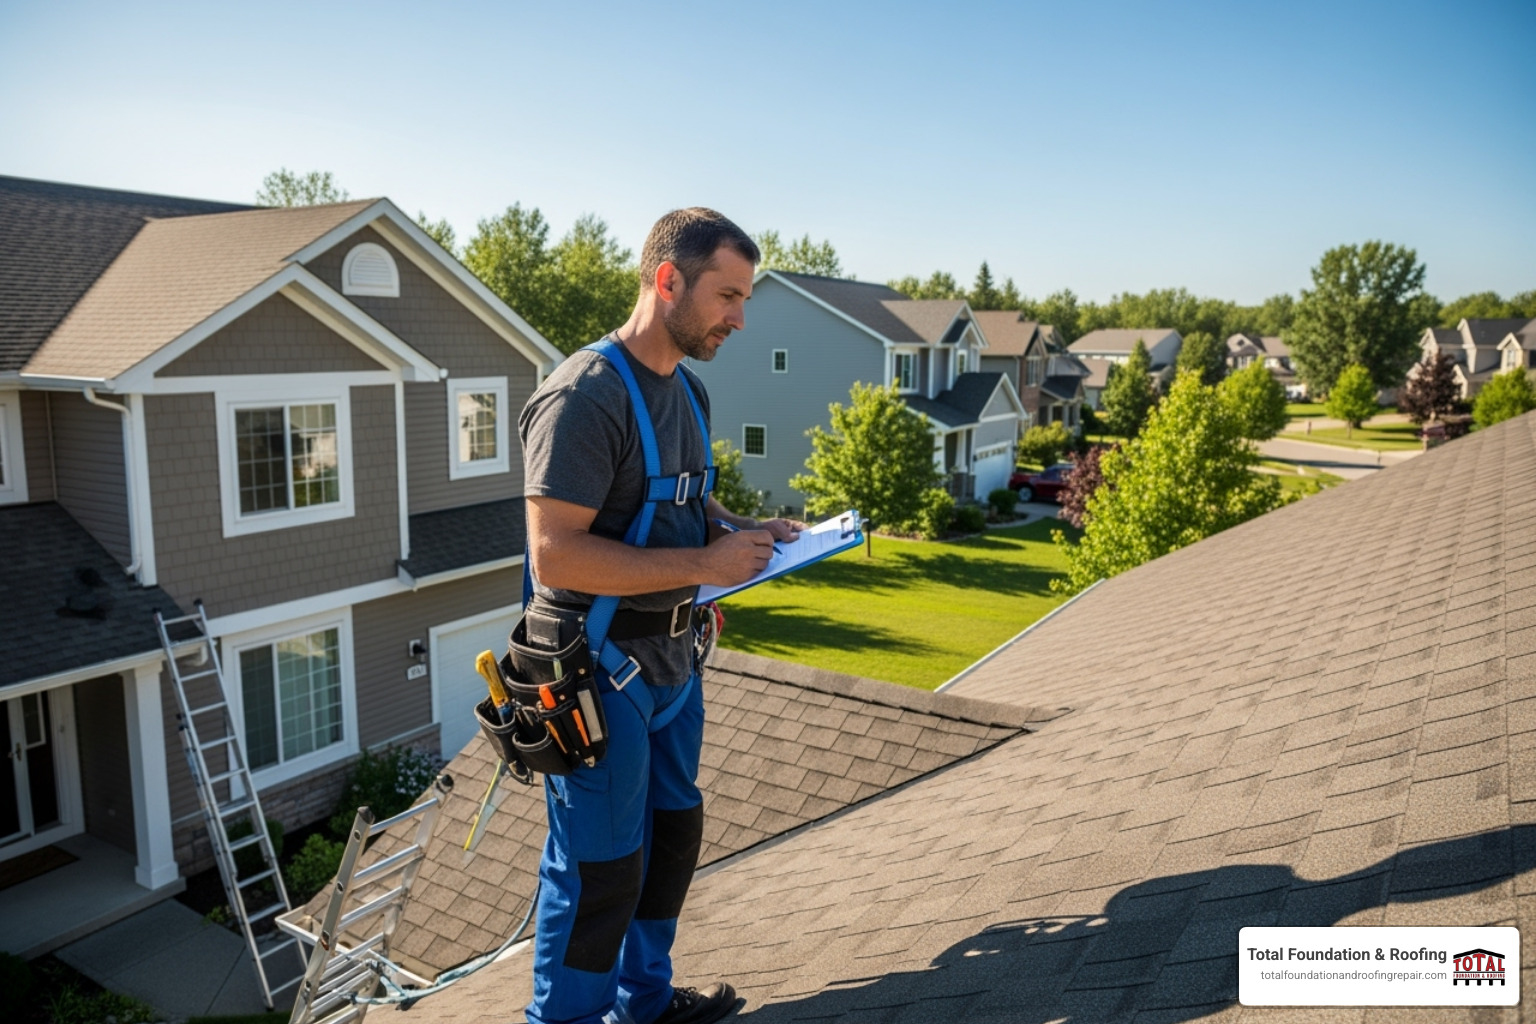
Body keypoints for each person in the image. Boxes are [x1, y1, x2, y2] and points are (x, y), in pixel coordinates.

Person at [518, 207, 804, 1024]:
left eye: (744, 299)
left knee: (671, 844)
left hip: (674, 667)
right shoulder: (583, 397)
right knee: (600, 871)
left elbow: (675, 497)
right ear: (667, 280)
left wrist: (741, 531)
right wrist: (706, 567)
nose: (740, 319)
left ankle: (643, 1006)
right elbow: (556, 555)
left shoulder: (689, 388)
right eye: (728, 296)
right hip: (598, 673)